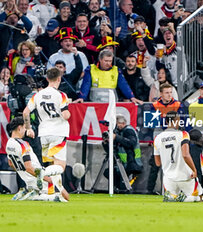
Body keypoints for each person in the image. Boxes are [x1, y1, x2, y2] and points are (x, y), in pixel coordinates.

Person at [23, 67, 71, 198]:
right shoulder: (61, 95)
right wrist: (68, 109)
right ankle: (42, 173)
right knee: (60, 165)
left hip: (43, 133)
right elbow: (66, 115)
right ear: (59, 78)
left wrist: (28, 128)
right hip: (58, 131)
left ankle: (56, 193)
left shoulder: (37, 95)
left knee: (52, 163)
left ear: (47, 78)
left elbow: (25, 112)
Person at [6, 117, 69, 202]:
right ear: (19, 128)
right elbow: (29, 167)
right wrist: (47, 178)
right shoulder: (23, 145)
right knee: (64, 197)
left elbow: (10, 164)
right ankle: (44, 196)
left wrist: (22, 172)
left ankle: (29, 193)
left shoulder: (9, 144)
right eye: (25, 127)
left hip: (28, 182)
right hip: (39, 181)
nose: (25, 130)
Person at [154, 111, 203, 202]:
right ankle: (184, 198)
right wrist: (194, 170)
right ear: (176, 120)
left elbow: (157, 163)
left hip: (168, 178)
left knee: (172, 198)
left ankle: (173, 196)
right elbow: (185, 154)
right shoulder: (183, 134)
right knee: (198, 198)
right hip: (185, 177)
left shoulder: (157, 138)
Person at [147, 83, 182, 195]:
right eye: (166, 93)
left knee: (174, 164)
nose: (169, 95)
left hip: (173, 138)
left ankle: (174, 189)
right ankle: (150, 190)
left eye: (170, 92)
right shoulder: (154, 105)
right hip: (158, 138)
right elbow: (150, 124)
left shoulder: (177, 104)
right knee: (155, 165)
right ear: (161, 94)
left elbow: (182, 122)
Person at [78, 50, 142, 104]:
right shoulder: (91, 69)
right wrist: (82, 97)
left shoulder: (116, 70)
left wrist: (131, 97)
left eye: (110, 61)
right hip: (95, 102)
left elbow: (124, 85)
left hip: (112, 104)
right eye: (106, 61)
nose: (108, 63)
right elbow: (86, 85)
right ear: (100, 59)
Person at [102, 114, 143, 191]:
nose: (116, 126)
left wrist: (116, 137)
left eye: (117, 124)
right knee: (108, 173)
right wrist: (106, 143)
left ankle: (124, 192)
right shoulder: (118, 132)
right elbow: (111, 150)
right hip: (120, 164)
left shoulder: (129, 131)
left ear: (123, 123)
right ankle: (119, 189)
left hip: (131, 163)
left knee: (124, 186)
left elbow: (131, 143)